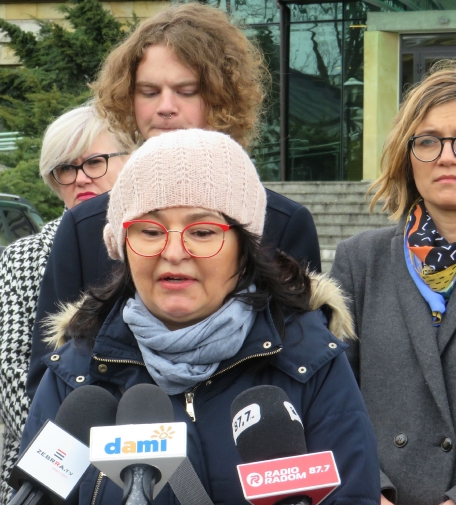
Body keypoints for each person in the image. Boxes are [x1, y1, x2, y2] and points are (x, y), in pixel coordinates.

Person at [21, 128, 379, 504]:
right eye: (149, 230)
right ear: (122, 246)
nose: (174, 252)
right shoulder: (76, 375)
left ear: (245, 248)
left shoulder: (309, 362)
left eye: (204, 231)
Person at [25, 3, 321, 399]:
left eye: (186, 91)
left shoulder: (283, 222)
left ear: (224, 100)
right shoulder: (84, 225)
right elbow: (51, 374)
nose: (165, 107)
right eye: (149, 92)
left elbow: (304, 368)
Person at [330, 61, 456, 505]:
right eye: (427, 141)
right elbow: (327, 406)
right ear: (409, 158)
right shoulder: (359, 261)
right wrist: (370, 491)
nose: (446, 156)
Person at [0, 106, 129, 504]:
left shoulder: (153, 250)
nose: (81, 177)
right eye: (65, 168)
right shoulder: (23, 258)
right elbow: (15, 386)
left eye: (95, 162)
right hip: (45, 478)